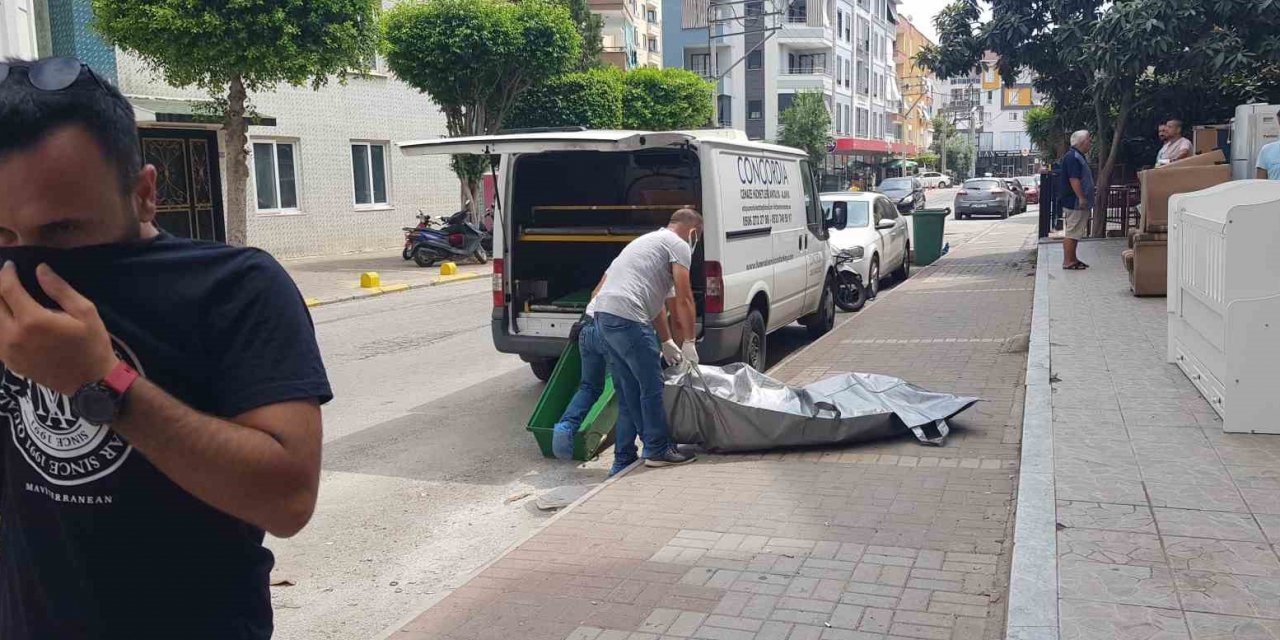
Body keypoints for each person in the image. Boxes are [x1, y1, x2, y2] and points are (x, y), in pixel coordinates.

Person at [0, 57, 331, 638]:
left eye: (62, 231)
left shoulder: (236, 288)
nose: (25, 259)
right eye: (1, 235)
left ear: (145, 193)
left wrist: (100, 381)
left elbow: (288, 500)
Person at [592, 209, 702, 469]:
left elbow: (656, 305)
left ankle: (647, 447)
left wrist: (667, 341)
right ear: (693, 230)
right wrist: (690, 341)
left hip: (603, 315)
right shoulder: (678, 245)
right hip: (628, 317)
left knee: (630, 388)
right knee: (652, 385)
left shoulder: (648, 243)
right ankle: (657, 450)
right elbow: (685, 299)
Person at [550, 281, 681, 476]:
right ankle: (623, 457)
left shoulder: (616, 269)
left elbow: (595, 292)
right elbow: (658, 312)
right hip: (610, 330)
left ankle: (565, 426)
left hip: (586, 328)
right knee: (627, 399)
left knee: (589, 387)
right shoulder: (652, 275)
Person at [1057, 129, 1094, 270]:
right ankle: (1068, 261)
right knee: (1072, 231)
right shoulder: (1073, 157)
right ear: (1082, 142)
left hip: (1075, 200)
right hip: (1074, 201)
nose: (1090, 144)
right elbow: (1074, 179)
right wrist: (1081, 198)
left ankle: (1073, 258)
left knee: (1076, 231)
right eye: (1089, 141)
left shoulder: (1077, 156)